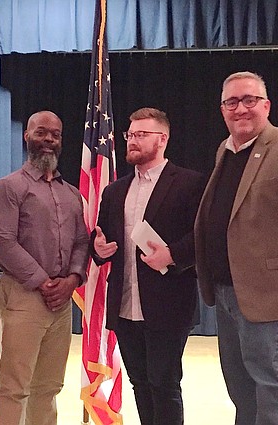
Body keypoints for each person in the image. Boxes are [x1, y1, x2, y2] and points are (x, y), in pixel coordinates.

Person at [194, 71, 278, 425]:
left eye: (249, 100)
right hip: (224, 290)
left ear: (266, 105)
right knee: (240, 386)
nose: (240, 108)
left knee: (273, 383)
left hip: (268, 293)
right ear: (222, 109)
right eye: (231, 102)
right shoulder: (224, 151)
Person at [92, 107, 204, 425]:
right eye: (130, 134)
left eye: (141, 134)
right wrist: (97, 249)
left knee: (164, 384)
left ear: (162, 139)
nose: (132, 141)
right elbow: (101, 240)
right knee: (139, 383)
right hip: (125, 305)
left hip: (168, 305)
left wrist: (172, 255)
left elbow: (203, 235)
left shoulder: (188, 183)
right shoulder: (115, 192)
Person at [0, 111, 89, 425]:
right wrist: (44, 282)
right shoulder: (9, 188)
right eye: (41, 132)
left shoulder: (71, 194)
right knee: (15, 387)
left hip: (61, 301)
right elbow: (3, 241)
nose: (48, 140)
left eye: (55, 135)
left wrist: (72, 280)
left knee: (48, 387)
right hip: (24, 296)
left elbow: (82, 241)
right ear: (26, 137)